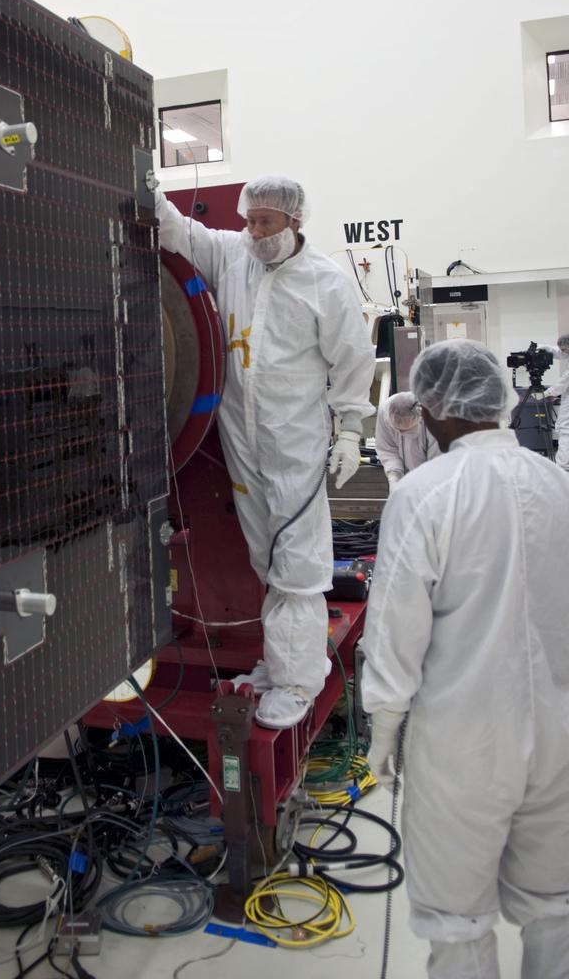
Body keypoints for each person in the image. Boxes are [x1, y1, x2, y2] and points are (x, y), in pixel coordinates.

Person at [361, 339, 569, 979]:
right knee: (558, 909)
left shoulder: (424, 494)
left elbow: (397, 626)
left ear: (430, 408)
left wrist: (385, 725)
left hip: (461, 745)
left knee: (457, 923)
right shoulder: (559, 483)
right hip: (562, 736)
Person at [155, 177, 374, 728]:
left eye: (266, 223)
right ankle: (279, 666)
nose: (254, 232)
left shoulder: (324, 281)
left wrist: (350, 430)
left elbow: (352, 360)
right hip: (242, 439)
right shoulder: (234, 255)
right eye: (249, 220)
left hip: (293, 440)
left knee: (297, 565)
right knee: (267, 561)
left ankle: (301, 681)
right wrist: (150, 190)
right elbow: (179, 233)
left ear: (294, 221)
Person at [374, 390, 440, 490]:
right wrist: (394, 476)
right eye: (397, 429)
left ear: (420, 419)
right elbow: (388, 449)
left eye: (406, 430)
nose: (400, 433)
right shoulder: (384, 412)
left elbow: (437, 461)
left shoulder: (435, 419)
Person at [544, 334, 569, 471]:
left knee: (565, 429)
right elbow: (558, 352)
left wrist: (546, 393)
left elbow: (563, 382)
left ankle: (562, 467)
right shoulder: (567, 352)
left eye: (565, 349)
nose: (563, 352)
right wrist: (540, 348)